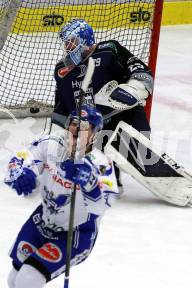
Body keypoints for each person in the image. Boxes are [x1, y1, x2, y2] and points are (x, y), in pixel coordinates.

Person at [4, 105, 119, 288]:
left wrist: (88, 182)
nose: (76, 128)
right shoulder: (50, 144)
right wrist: (20, 174)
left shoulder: (101, 164)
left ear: (94, 135)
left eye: (84, 127)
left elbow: (104, 203)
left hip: (76, 233)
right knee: (14, 278)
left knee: (29, 278)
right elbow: (20, 159)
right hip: (42, 221)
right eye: (74, 123)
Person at [52, 18, 154, 188]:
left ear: (86, 39)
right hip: (90, 129)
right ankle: (104, 179)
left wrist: (133, 89)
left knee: (142, 154)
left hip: (122, 116)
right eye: (66, 43)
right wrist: (55, 140)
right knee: (94, 179)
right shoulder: (62, 71)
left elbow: (141, 71)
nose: (68, 47)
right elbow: (61, 110)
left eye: (72, 42)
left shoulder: (109, 50)